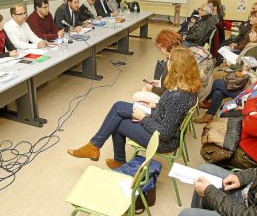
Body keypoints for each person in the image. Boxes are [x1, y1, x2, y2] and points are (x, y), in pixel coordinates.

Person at [67, 46, 201, 169]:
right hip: (158, 119)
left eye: (169, 60)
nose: (167, 62)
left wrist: (143, 118)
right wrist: (156, 105)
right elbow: (170, 114)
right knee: (118, 107)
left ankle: (109, 155)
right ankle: (96, 147)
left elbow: (165, 134)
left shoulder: (177, 97)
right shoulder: (188, 88)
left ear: (176, 66)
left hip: (161, 141)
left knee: (117, 123)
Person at [194, 23, 257, 124]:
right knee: (218, 92)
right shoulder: (254, 47)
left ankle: (204, 99)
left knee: (216, 83)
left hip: (245, 86)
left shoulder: (256, 51)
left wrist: (231, 65)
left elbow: (245, 69)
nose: (249, 34)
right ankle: (209, 115)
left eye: (252, 33)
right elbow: (245, 65)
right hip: (244, 81)